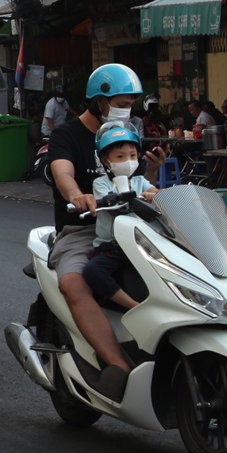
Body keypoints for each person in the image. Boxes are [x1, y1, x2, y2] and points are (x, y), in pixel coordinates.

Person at [46, 63, 164, 402]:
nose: (128, 109)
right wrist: (77, 195)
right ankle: (117, 366)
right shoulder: (66, 135)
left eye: (131, 103)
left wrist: (154, 178)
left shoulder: (130, 131)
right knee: (74, 281)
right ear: (100, 101)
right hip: (85, 231)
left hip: (136, 228)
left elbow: (140, 183)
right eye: (122, 103)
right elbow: (62, 173)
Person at [80, 124, 159, 312]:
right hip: (113, 246)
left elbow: (158, 194)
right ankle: (134, 307)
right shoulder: (101, 183)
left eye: (132, 156)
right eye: (121, 157)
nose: (128, 160)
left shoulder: (140, 181)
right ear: (107, 162)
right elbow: (111, 207)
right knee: (93, 271)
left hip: (141, 243)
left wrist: (153, 195)